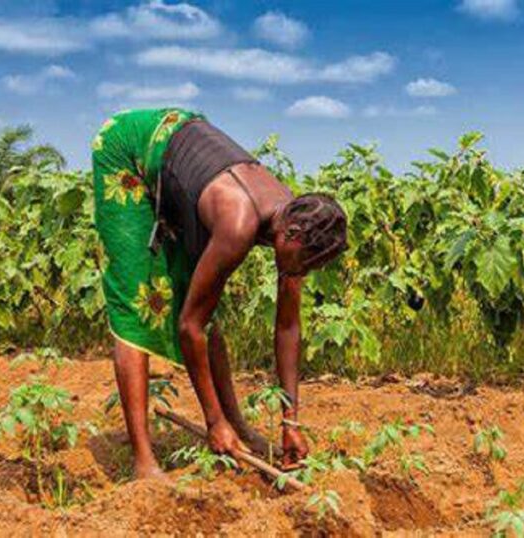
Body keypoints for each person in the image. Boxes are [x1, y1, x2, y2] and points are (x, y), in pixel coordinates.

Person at [91, 108, 348, 479]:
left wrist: (290, 422)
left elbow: (288, 326)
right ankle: (144, 461)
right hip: (128, 148)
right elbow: (190, 327)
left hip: (182, 161)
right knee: (139, 304)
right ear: (291, 236)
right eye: (305, 263)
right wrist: (212, 422)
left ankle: (236, 426)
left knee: (202, 302)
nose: (303, 273)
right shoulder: (239, 223)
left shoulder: (295, 218)